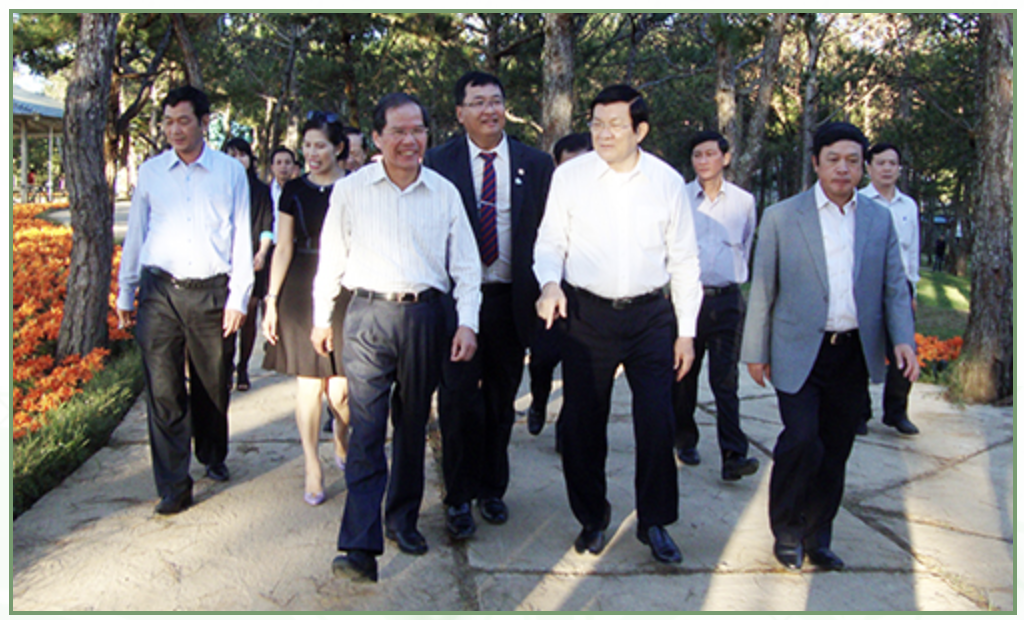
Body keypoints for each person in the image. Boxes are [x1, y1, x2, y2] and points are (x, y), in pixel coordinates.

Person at [315, 93, 481, 582]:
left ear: (427, 135)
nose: (409, 141)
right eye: (399, 132)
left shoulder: (445, 192)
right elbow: (332, 257)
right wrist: (322, 317)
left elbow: (467, 267)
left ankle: (402, 519)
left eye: (418, 132)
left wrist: (466, 322)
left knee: (411, 425)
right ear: (378, 138)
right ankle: (359, 547)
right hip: (367, 316)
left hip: (427, 317)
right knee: (367, 430)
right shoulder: (351, 190)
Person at [534, 84, 703, 565]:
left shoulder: (667, 182)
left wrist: (686, 332)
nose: (603, 133)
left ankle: (655, 522)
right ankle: (592, 516)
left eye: (615, 125)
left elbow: (685, 260)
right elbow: (549, 242)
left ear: (640, 130)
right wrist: (550, 283)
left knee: (657, 421)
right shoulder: (571, 178)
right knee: (583, 425)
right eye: (596, 123)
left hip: (651, 317)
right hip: (586, 315)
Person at [740, 121, 919, 572]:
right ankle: (786, 530)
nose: (843, 169)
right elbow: (763, 287)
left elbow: (894, 286)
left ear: (863, 167)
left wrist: (903, 340)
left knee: (836, 448)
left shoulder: (878, 219)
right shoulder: (783, 215)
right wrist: (755, 349)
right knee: (802, 440)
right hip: (799, 349)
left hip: (852, 353)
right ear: (816, 162)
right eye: (834, 159)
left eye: (853, 161)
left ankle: (817, 534)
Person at [423, 71, 554, 540]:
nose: (488, 110)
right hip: (457, 305)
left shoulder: (536, 164)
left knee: (501, 402)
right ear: (460, 113)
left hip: (508, 302)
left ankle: (491, 487)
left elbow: (549, 235)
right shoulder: (436, 163)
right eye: (477, 102)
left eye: (496, 100)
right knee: (457, 401)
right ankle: (457, 496)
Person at [116, 85, 253, 515]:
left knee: (213, 384)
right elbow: (137, 232)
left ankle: (212, 452)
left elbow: (241, 238)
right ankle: (174, 485)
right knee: (164, 390)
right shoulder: (152, 172)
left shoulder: (230, 173)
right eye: (168, 121)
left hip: (212, 292)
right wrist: (126, 289)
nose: (175, 129)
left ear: (204, 122)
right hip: (160, 293)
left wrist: (239, 297)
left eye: (184, 121)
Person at [262, 112, 352, 507]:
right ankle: (312, 463)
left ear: (338, 148)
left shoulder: (355, 187)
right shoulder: (293, 190)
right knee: (309, 384)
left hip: (346, 288)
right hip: (300, 285)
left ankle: (342, 440)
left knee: (342, 389)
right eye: (308, 146)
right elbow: (282, 247)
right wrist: (270, 300)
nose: (313, 153)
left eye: (321, 145)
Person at [672, 130, 760, 481]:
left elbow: (746, 243)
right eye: (697, 155)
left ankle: (733, 454)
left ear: (725, 158)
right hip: (687, 300)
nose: (704, 161)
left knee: (725, 381)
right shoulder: (679, 198)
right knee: (684, 376)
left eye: (710, 154)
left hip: (726, 302)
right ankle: (684, 437)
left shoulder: (744, 202)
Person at [527, 132, 591, 446]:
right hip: (548, 290)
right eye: (569, 165)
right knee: (542, 358)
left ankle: (567, 430)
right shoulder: (543, 195)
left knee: (578, 368)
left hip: (586, 296)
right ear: (556, 165)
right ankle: (538, 401)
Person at [861, 142, 921, 435]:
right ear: (868, 168)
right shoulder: (858, 201)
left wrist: (914, 292)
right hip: (868, 287)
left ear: (899, 169)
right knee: (860, 349)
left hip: (901, 287)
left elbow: (912, 252)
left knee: (906, 348)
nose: (887, 168)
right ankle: (859, 411)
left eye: (892, 163)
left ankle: (896, 411)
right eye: (880, 163)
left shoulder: (908, 205)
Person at [222, 137, 274, 392]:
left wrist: (262, 253)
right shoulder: (219, 187)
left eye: (241, 155)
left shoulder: (260, 190)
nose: (237, 160)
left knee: (249, 313)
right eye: (231, 155)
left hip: (253, 260)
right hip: (224, 262)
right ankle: (226, 364)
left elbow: (267, 225)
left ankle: (242, 366)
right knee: (227, 316)